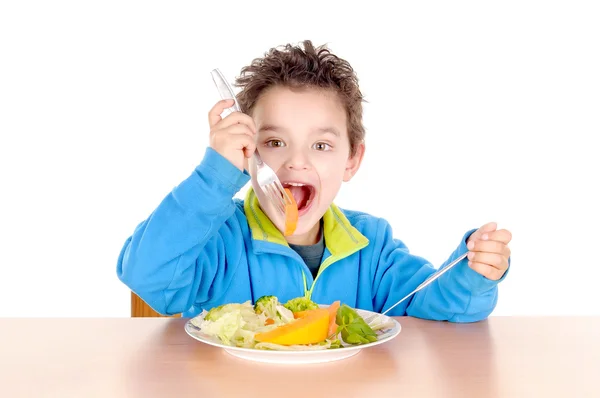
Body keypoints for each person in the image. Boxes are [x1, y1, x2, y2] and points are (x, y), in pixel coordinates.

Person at [116, 40, 512, 322]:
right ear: (247, 153)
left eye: (321, 145)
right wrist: (214, 175)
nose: (297, 161)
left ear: (351, 160)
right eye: (274, 142)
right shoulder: (219, 238)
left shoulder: (371, 246)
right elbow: (146, 276)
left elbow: (436, 306)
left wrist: (471, 272)